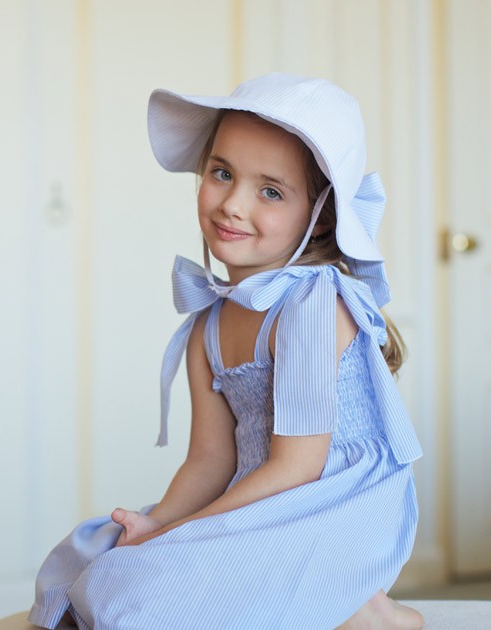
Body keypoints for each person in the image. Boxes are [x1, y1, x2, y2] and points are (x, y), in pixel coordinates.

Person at [28, 73, 424, 629]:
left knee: (134, 603)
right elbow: (211, 460)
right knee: (91, 563)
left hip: (329, 506)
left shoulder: (313, 304)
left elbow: (299, 467)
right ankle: (330, 603)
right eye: (221, 173)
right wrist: (155, 526)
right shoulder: (208, 325)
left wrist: (177, 537)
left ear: (321, 217)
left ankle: (367, 607)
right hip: (258, 501)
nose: (232, 204)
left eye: (270, 191)